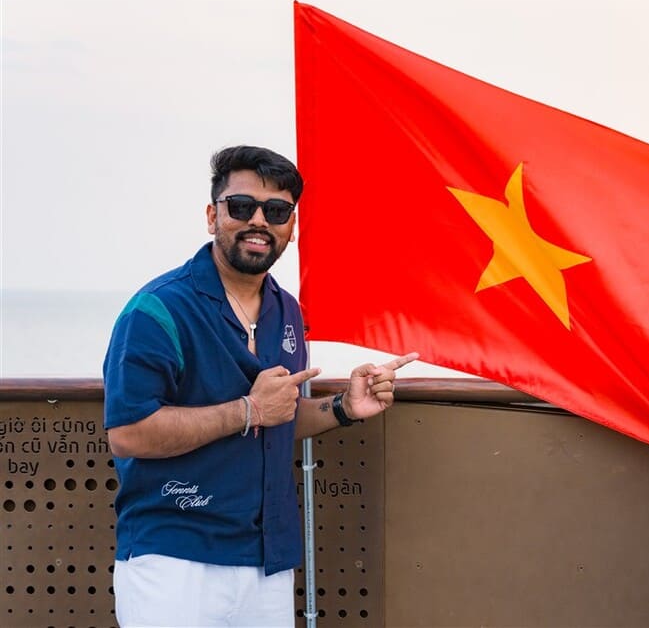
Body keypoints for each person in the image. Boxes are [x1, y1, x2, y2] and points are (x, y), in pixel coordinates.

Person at [103, 145, 418, 627]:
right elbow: (129, 433)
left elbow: (277, 416)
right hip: (174, 558)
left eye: (276, 211)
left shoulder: (287, 310)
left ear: (291, 227)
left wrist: (342, 407)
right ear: (213, 216)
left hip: (267, 560)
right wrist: (247, 410)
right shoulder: (158, 309)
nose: (258, 221)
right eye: (241, 206)